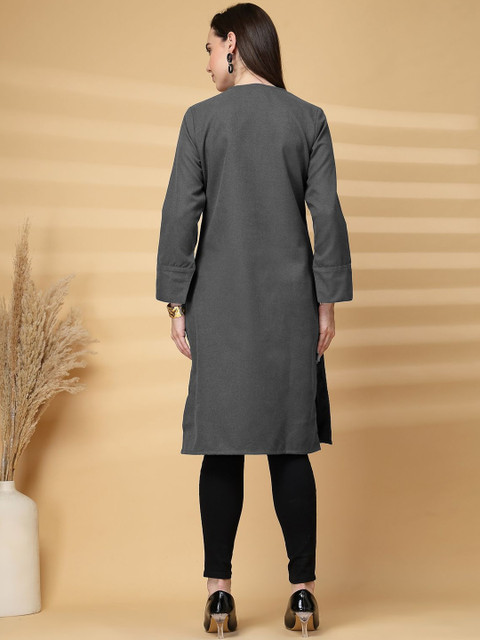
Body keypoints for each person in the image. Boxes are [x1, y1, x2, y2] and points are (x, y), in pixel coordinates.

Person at [155, 3, 353, 637]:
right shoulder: (308, 118)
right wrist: (326, 302)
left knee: (222, 447)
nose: (208, 63)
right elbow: (328, 215)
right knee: (290, 446)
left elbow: (180, 216)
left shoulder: (201, 121)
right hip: (291, 309)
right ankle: (303, 598)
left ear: (233, 44)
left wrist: (176, 302)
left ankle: (219, 599)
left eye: (210, 48)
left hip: (218, 308)